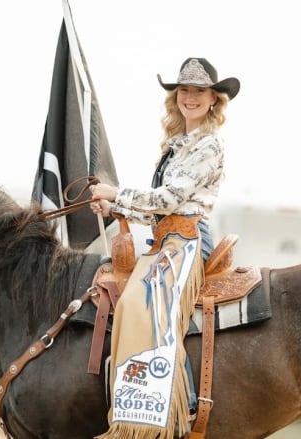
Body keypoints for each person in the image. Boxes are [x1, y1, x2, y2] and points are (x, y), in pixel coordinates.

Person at [90, 57, 239, 439]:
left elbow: (169, 198)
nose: (190, 97)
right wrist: (114, 208)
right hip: (166, 236)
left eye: (199, 91)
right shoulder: (174, 147)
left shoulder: (209, 146)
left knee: (150, 305)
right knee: (128, 304)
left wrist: (117, 193)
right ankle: (134, 401)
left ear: (213, 100)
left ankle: (182, 405)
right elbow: (158, 211)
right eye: (183, 90)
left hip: (188, 238)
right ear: (177, 98)